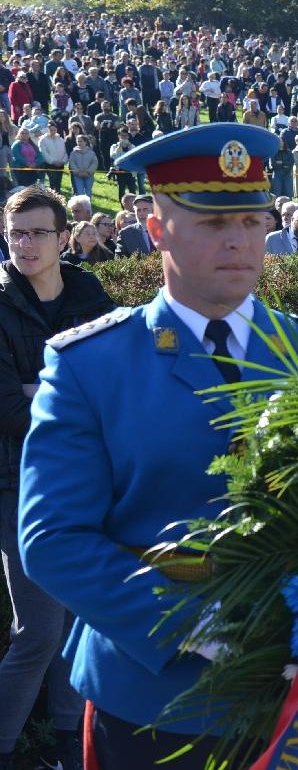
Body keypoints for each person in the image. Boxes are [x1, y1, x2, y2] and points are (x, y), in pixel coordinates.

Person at [18, 123, 298, 768]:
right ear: (157, 229)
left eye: (252, 220)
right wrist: (191, 623)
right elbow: (52, 539)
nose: (239, 241)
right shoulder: (91, 365)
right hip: (155, 699)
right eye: (212, 222)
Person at [0, 186, 114, 770]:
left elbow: (112, 385)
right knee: (39, 629)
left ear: (64, 239)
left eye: (37, 233)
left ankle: (70, 740)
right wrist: (63, 396)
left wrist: (39, 388)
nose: (24, 244)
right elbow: (8, 410)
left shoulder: (90, 292)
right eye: (15, 233)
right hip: (15, 486)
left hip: (86, 481)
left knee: (82, 616)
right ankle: (7, 745)